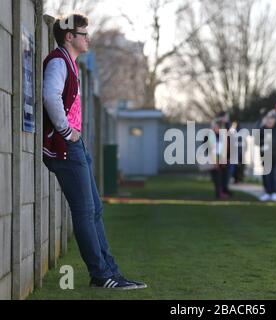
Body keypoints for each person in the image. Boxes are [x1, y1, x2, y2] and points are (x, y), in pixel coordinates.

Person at [42, 14, 146, 290]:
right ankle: (101, 275)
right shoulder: (57, 61)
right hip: (65, 148)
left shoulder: (71, 63)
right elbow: (49, 95)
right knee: (85, 211)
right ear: (69, 36)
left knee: (95, 210)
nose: (88, 38)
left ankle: (110, 272)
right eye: (83, 33)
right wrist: (66, 132)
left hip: (77, 146)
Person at [207, 120, 230, 199]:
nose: (215, 128)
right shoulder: (209, 136)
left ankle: (222, 192)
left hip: (222, 159)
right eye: (214, 127)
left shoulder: (222, 136)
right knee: (217, 178)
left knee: (224, 177)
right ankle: (219, 193)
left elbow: (226, 148)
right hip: (214, 160)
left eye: (216, 127)